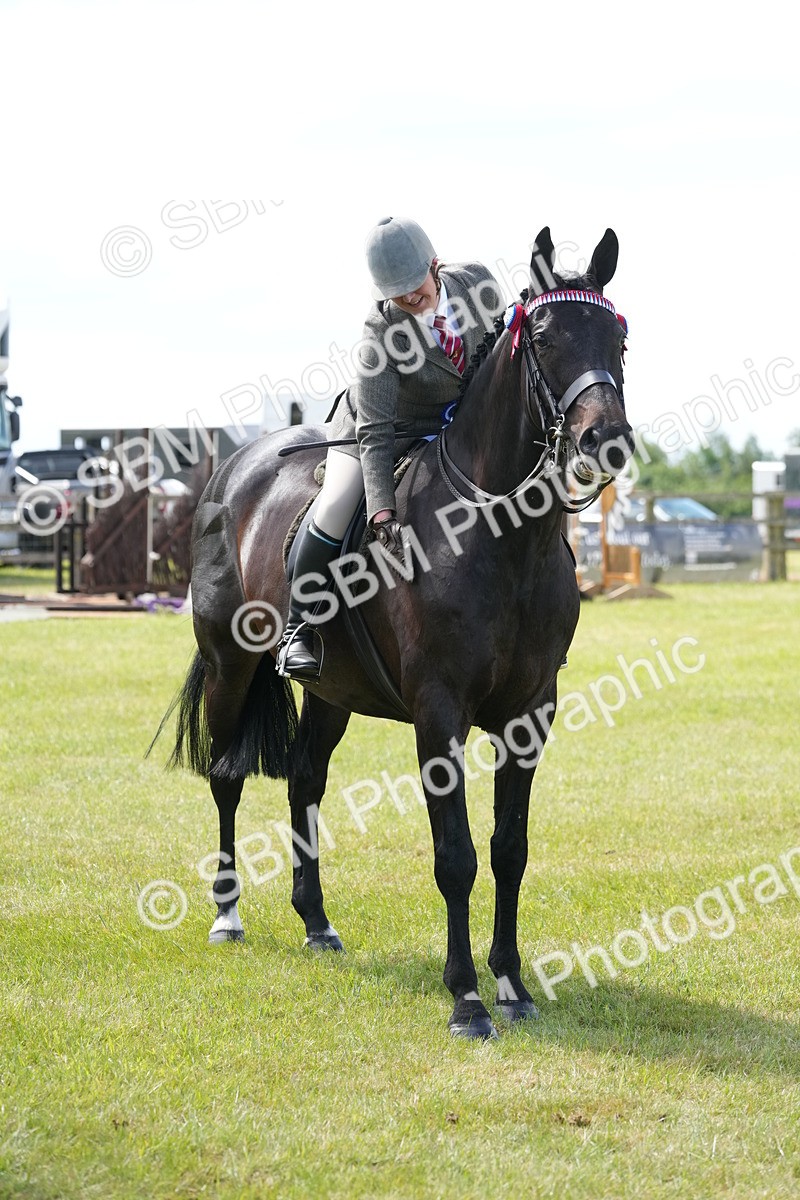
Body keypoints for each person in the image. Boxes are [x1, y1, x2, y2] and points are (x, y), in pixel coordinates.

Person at [277, 216, 504, 681]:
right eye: (396, 294)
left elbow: (502, 355)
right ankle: (297, 630)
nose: (408, 300)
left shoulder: (478, 282)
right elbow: (375, 429)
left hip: (461, 425)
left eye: (416, 290)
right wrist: (381, 510)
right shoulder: (381, 329)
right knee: (337, 504)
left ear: (435, 266)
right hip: (385, 426)